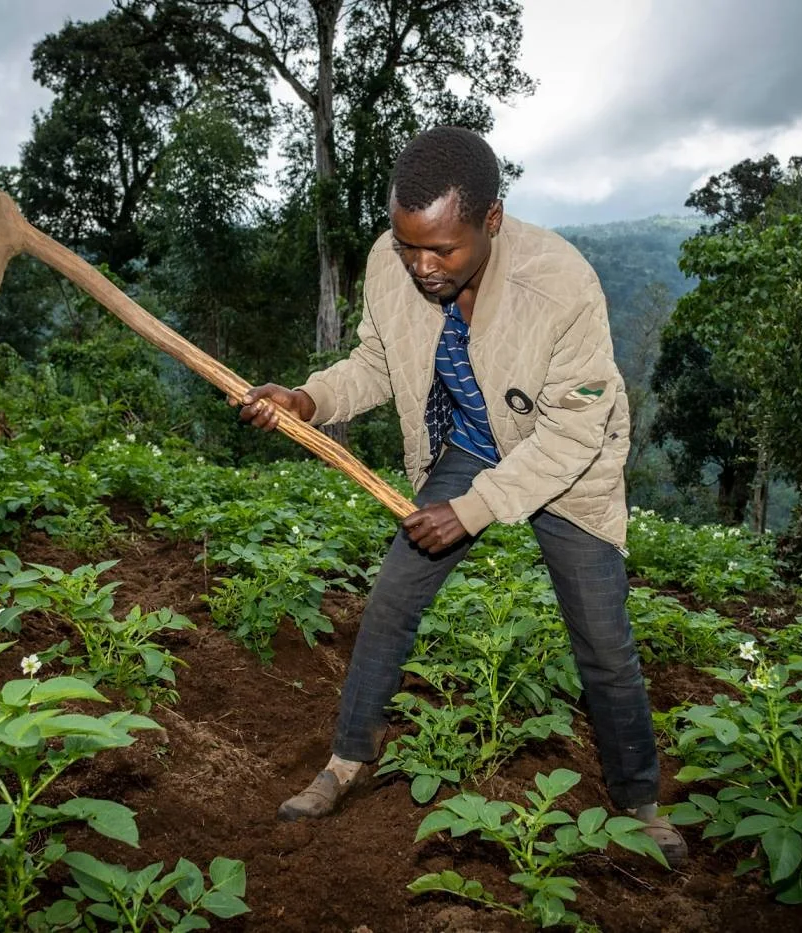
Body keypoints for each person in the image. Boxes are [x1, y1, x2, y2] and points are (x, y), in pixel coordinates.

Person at [233, 126, 686, 867]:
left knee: (604, 642)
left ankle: (639, 801)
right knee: (391, 600)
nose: (420, 265)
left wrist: (473, 509)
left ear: (493, 221)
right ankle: (348, 759)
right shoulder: (392, 263)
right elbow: (376, 361)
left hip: (562, 461)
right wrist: (310, 399)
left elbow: (574, 434)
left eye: (441, 249)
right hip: (470, 443)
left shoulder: (562, 285)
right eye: (407, 243)